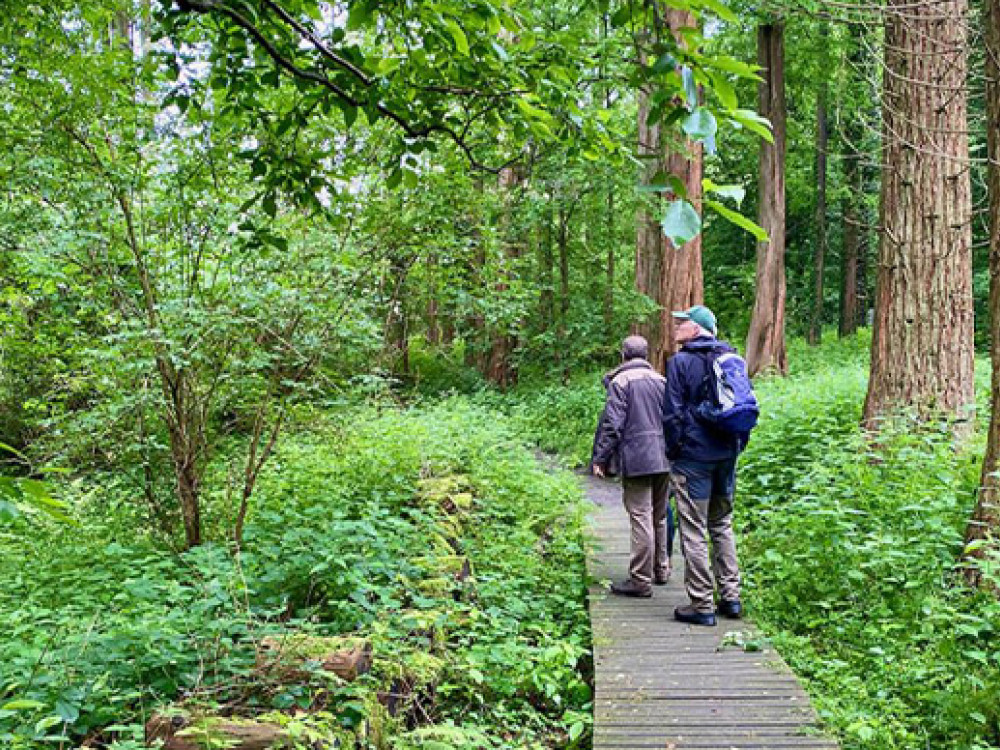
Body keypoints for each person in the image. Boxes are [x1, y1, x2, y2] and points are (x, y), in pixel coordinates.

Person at [664, 305, 745, 626]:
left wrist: (675, 452)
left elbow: (671, 414)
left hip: (693, 460)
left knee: (694, 529)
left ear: (696, 329)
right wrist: (735, 447)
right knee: (722, 524)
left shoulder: (680, 363)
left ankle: (701, 604)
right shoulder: (730, 358)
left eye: (682, 323)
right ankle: (731, 597)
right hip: (726, 456)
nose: (677, 328)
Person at [592, 335, 671, 597]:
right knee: (659, 516)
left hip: (638, 457)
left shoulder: (621, 381)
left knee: (641, 518)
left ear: (623, 355)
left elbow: (612, 424)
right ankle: (661, 569)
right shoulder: (662, 380)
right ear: (646, 355)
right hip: (665, 456)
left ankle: (640, 580)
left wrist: (600, 458)